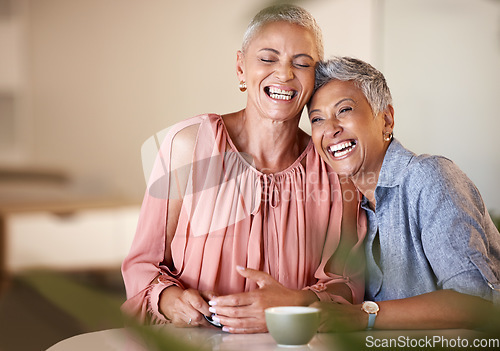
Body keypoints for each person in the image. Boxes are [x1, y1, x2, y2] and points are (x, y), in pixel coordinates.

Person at [121, 6, 366, 334]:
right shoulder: (189, 146)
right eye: (268, 58)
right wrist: (169, 299)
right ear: (240, 68)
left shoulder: (334, 171)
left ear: (315, 79)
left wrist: (293, 302)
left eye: (302, 63)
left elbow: (347, 285)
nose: (284, 74)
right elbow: (143, 265)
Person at [307, 56, 500, 331]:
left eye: (345, 110)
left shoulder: (429, 176)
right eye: (317, 119)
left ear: (386, 119)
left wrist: (365, 315)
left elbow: (474, 301)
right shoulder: (350, 205)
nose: (330, 129)